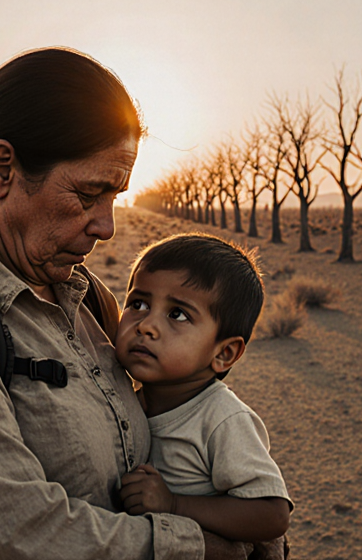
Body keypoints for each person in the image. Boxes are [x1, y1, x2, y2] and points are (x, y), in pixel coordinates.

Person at [0, 47, 269, 559]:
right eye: (88, 195)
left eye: (116, 197)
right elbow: (8, 538)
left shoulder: (82, 295)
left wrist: (247, 518)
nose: (106, 226)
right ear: (1, 170)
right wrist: (202, 548)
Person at [114, 234, 292, 546]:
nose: (146, 325)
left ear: (224, 353)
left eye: (177, 314)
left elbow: (273, 514)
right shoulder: (120, 398)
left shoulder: (222, 419)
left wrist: (174, 504)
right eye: (138, 304)